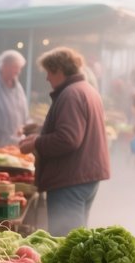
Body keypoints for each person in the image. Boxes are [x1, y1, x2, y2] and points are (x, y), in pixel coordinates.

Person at [18, 47, 110, 236]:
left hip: (70, 180)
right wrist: (40, 130)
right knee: (78, 237)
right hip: (85, 176)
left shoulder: (71, 94)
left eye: (49, 72)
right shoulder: (86, 90)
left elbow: (68, 139)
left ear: (59, 70)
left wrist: (36, 142)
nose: (47, 78)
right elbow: (76, 131)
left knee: (66, 241)